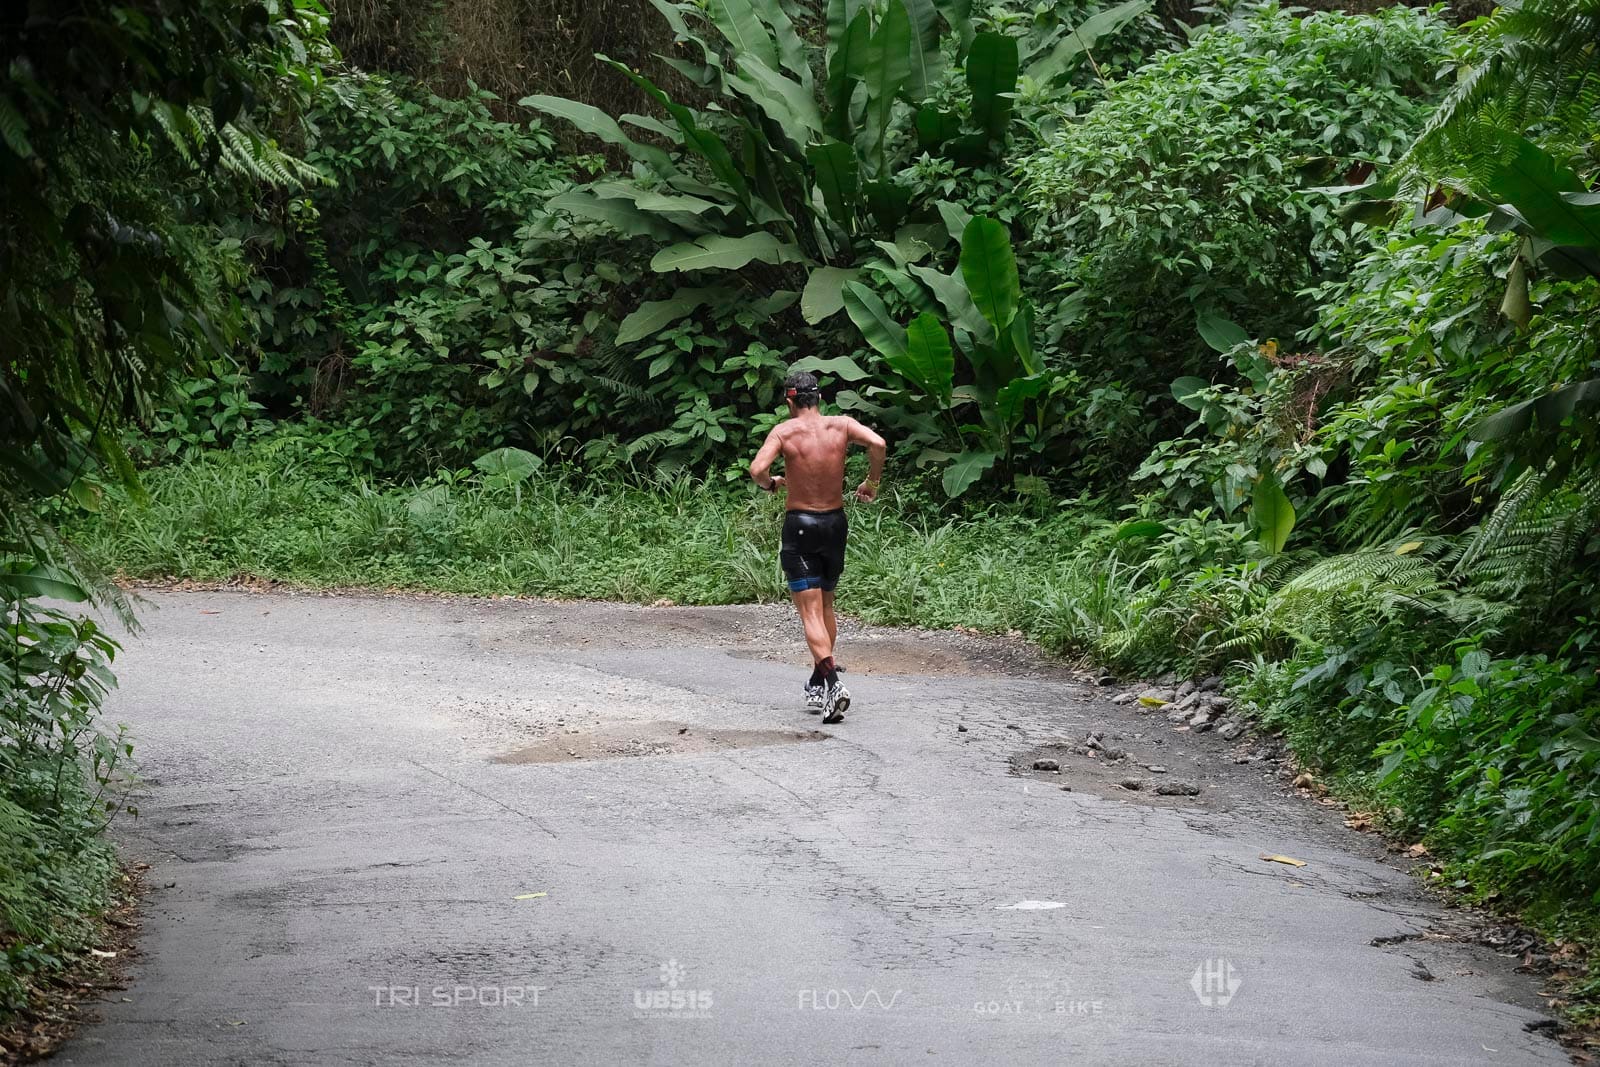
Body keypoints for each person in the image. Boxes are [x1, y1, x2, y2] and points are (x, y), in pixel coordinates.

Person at [749, 371, 887, 724]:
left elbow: (757, 469)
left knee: (809, 612)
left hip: (801, 527)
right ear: (820, 399)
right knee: (825, 605)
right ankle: (816, 680)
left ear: (789, 401)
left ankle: (833, 683)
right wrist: (872, 482)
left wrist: (771, 485)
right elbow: (879, 444)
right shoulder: (841, 425)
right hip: (835, 524)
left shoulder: (784, 431)